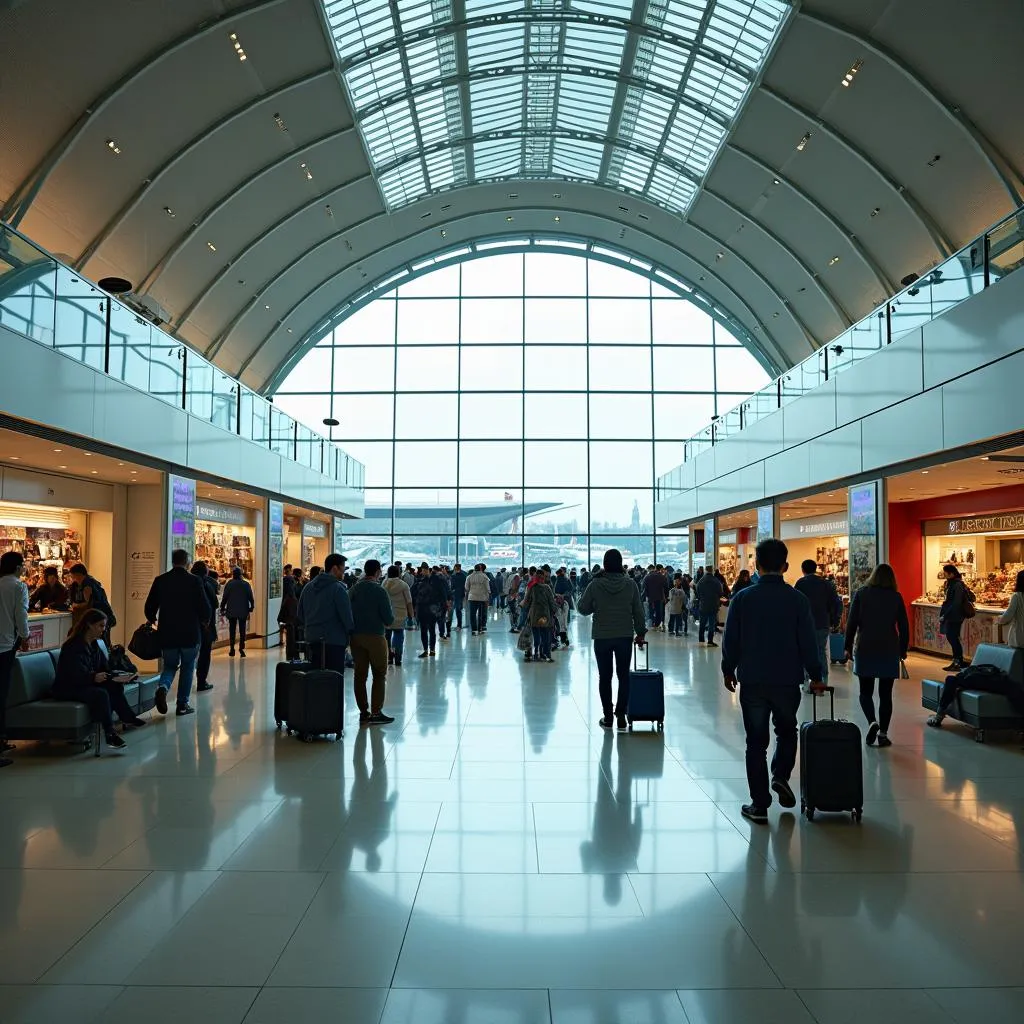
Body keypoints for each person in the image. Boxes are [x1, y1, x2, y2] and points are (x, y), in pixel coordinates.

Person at [721, 538, 823, 824]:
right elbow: (808, 642)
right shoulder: (797, 600)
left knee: (755, 743)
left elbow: (731, 639)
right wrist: (816, 675)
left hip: (753, 679)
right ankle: (780, 775)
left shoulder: (743, 599)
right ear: (786, 566)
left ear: (756, 565)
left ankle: (759, 804)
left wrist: (728, 669)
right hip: (787, 680)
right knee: (787, 731)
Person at [53, 609, 146, 748]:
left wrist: (117, 676)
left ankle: (127, 718)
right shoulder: (72, 647)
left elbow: (104, 667)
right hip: (69, 687)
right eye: (101, 626)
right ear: (90, 625)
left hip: (84, 683)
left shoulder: (94, 645)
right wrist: (93, 677)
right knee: (100, 694)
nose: (104, 629)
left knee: (114, 686)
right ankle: (110, 733)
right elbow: (74, 675)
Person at [577, 548, 647, 729]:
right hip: (624, 635)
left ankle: (608, 716)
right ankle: (621, 716)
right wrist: (640, 633)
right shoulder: (631, 584)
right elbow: (638, 611)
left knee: (605, 677)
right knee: (624, 676)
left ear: (605, 564)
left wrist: (597, 605)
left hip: (602, 636)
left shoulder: (595, 584)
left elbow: (583, 608)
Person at [844, 563, 910, 748]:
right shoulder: (896, 598)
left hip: (866, 645)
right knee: (886, 694)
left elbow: (852, 622)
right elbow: (904, 627)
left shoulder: (862, 594)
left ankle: (872, 721)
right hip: (889, 646)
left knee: (865, 691)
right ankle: (883, 734)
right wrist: (903, 650)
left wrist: (847, 645)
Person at [145, 548, 213, 717]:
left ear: (173, 561)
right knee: (188, 667)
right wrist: (205, 621)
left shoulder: (160, 580)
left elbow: (149, 606)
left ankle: (163, 687)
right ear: (187, 562)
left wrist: (152, 618)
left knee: (169, 666)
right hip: (190, 632)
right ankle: (182, 705)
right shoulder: (194, 581)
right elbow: (205, 607)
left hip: (167, 632)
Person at [347, 560, 397, 725]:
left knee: (359, 675)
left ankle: (363, 711)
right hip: (375, 636)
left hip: (356, 637)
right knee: (379, 674)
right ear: (377, 572)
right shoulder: (379, 591)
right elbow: (388, 619)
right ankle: (376, 712)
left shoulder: (354, 589)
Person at [297, 553, 354, 677]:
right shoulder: (338, 589)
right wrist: (350, 633)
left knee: (315, 676)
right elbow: (347, 617)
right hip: (335, 641)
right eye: (343, 568)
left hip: (312, 639)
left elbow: (300, 615)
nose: (344, 572)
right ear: (334, 568)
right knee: (334, 678)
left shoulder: (308, 587)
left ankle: (316, 697)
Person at [0, 551, 30, 767]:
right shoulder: (18, 586)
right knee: (2, 693)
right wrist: (25, 636)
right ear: (18, 567)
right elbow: (21, 614)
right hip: (5, 645)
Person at [794, 559, 843, 691]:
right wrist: (835, 621)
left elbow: (795, 604)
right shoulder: (826, 584)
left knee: (805, 651)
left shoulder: (800, 584)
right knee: (821, 651)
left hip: (804, 624)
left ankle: (807, 682)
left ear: (803, 570)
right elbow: (836, 603)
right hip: (822, 622)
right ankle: (823, 680)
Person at [191, 560, 219, 694]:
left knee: (190, 654)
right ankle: (201, 681)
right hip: (206, 625)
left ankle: (168, 685)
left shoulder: (187, 584)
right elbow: (213, 604)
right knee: (204, 653)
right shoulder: (208, 584)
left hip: (190, 624)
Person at [68, 563, 116, 639]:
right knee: (103, 639)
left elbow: (87, 604)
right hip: (103, 615)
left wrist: (75, 605)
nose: (73, 579)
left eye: (73, 576)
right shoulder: (91, 582)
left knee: (101, 640)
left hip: (98, 617)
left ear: (78, 575)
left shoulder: (87, 585)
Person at [939, 564, 972, 671]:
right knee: (952, 637)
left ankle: (958, 661)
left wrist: (945, 615)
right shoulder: (951, 583)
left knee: (952, 637)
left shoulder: (957, 584)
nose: (944, 575)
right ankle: (958, 660)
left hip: (955, 615)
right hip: (953, 614)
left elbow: (956, 602)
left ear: (951, 573)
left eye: (945, 573)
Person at [522, 567, 557, 663]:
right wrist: (555, 611)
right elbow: (551, 602)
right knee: (544, 636)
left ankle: (537, 654)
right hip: (544, 616)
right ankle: (543, 654)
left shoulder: (532, 587)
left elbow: (526, 602)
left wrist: (524, 608)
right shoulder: (546, 588)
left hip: (535, 616)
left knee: (537, 637)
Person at [220, 566, 255, 658]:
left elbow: (225, 597)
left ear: (233, 575)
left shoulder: (229, 584)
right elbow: (251, 598)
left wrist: (222, 607)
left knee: (232, 629)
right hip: (243, 609)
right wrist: (252, 607)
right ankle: (241, 648)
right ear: (241, 574)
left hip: (231, 610)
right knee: (242, 629)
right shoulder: (246, 584)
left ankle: (232, 648)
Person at [383, 564, 414, 667]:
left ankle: (389, 657)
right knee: (398, 636)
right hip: (400, 615)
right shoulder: (404, 585)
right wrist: (411, 615)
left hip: (387, 614)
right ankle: (398, 659)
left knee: (387, 637)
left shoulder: (383, 584)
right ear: (399, 573)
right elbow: (409, 602)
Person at [413, 563, 447, 658]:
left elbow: (442, 593)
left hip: (429, 609)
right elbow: (443, 593)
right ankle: (428, 650)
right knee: (426, 630)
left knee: (430, 630)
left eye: (424, 570)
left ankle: (430, 650)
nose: (423, 572)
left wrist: (443, 607)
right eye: (422, 570)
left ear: (428, 569)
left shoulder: (433, 580)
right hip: (428, 609)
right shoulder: (422, 581)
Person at [695, 568, 724, 646]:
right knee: (711, 624)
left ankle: (701, 640)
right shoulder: (716, 581)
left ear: (705, 571)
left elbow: (697, 592)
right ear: (713, 571)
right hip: (713, 605)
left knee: (702, 623)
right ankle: (710, 641)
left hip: (703, 605)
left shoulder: (701, 581)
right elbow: (721, 593)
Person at [999, 570, 1024, 648]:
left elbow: (1008, 614)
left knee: (1018, 658)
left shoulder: (1017, 596)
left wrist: (999, 619)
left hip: (1020, 635)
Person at [466, 563, 491, 635]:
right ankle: (480, 628)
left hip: (472, 597)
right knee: (481, 613)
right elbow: (488, 588)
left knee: (472, 614)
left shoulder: (469, 577)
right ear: (480, 569)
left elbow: (467, 587)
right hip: (482, 598)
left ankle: (474, 630)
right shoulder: (485, 577)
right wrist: (488, 598)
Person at [644, 565, 669, 631]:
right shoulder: (662, 577)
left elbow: (644, 588)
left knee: (651, 610)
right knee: (659, 611)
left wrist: (647, 595)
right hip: (659, 597)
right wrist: (666, 597)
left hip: (650, 597)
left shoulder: (647, 577)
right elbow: (666, 588)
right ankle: (658, 624)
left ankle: (651, 623)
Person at [449, 562, 467, 630]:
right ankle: (459, 625)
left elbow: (452, 586)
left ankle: (449, 625)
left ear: (455, 568)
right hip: (461, 595)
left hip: (454, 595)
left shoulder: (453, 576)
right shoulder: (464, 576)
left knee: (451, 611)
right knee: (458, 611)